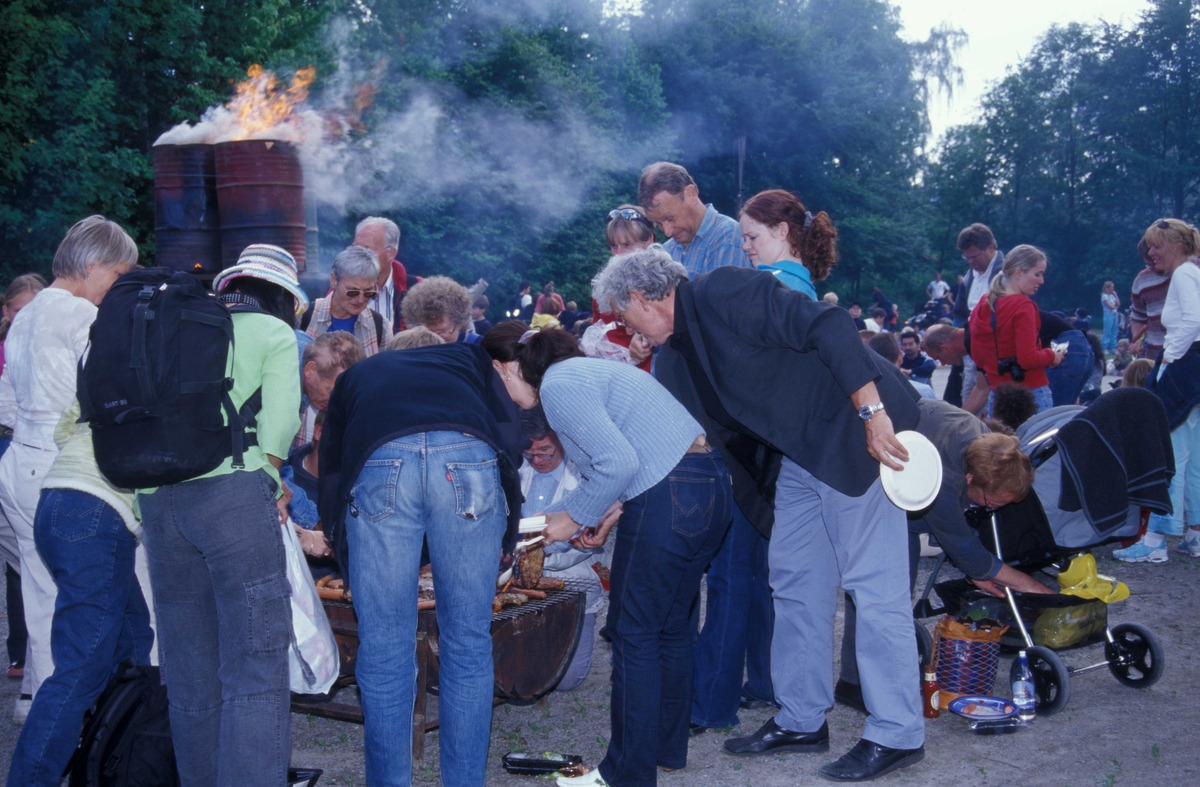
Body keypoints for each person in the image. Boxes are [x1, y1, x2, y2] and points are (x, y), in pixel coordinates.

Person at [594, 248, 927, 782]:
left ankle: (897, 731)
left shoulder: (724, 289)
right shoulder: (674, 358)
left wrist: (873, 415)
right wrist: (614, 498)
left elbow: (828, 323)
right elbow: (680, 443)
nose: (622, 327)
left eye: (620, 314)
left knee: (873, 588)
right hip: (797, 459)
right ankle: (801, 718)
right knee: (794, 584)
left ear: (642, 297)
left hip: (855, 434)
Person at [480, 324, 732, 787]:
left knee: (634, 635)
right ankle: (666, 750)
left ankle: (626, 774)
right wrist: (598, 515)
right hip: (709, 483)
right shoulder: (591, 372)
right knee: (671, 627)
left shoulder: (558, 383)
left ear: (505, 369)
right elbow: (631, 460)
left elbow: (619, 463)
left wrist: (573, 517)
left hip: (667, 494)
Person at [318, 332, 526, 787]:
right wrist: (506, 531)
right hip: (468, 458)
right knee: (467, 643)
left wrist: (339, 544)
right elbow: (510, 436)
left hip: (382, 460)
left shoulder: (360, 374)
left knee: (386, 647)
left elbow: (331, 466)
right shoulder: (470, 359)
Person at [138, 244, 305, 786]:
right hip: (233, 498)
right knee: (254, 666)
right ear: (280, 296)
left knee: (188, 670)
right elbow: (280, 423)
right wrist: (271, 476)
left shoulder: (176, 325)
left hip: (160, 501)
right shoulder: (274, 333)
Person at [0, 216, 137, 723]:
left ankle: (39, 700)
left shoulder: (26, 315)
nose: (118, 286)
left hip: (19, 462)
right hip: (60, 470)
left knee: (40, 592)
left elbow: (6, 401)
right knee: (80, 600)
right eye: (118, 273)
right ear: (93, 264)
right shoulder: (80, 316)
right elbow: (102, 392)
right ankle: (78, 715)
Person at [836, 400, 1052, 711]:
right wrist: (1033, 588)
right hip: (875, 481)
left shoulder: (987, 446)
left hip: (905, 473)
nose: (992, 509)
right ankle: (855, 684)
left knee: (892, 592)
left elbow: (970, 555)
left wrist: (980, 570)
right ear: (969, 481)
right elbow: (965, 547)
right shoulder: (944, 481)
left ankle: (871, 673)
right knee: (882, 592)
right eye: (991, 502)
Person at [6, 398, 156, 787]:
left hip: (57, 495)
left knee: (134, 638)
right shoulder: (173, 368)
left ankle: (119, 759)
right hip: (96, 512)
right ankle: (29, 781)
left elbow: (64, 427)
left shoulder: (113, 362)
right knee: (81, 667)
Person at [1116, 218, 1200, 564]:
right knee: (1194, 458)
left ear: (1176, 247)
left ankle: (1155, 539)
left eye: (1156, 246)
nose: (1150, 253)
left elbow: (1194, 319)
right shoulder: (1194, 271)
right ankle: (1195, 534)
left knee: (1169, 455)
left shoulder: (1182, 274)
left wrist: (1170, 360)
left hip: (1184, 365)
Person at [516, 406, 603, 692]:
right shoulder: (515, 469)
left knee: (566, 680)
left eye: (545, 452)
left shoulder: (588, 477)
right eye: (530, 454)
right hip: (513, 573)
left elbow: (586, 540)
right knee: (519, 669)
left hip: (571, 570)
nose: (537, 460)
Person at [0, 273, 44, 680]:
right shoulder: (9, 347)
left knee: (29, 567)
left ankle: (28, 665)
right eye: (19, 310)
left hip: (22, 451)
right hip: (17, 451)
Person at [924, 311, 1091, 414]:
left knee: (1048, 425)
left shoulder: (978, 336)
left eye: (939, 358)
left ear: (944, 347)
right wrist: (960, 418)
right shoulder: (974, 335)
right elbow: (982, 387)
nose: (943, 364)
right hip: (1075, 347)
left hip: (1065, 347)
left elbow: (985, 388)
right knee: (1061, 419)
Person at [968, 245, 1066, 415]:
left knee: (1003, 442)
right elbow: (1027, 359)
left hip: (998, 395)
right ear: (1019, 272)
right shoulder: (1023, 306)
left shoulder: (984, 303)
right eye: (1037, 274)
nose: (1041, 281)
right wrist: (1052, 356)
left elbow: (977, 356)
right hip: (1031, 393)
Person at [637, 162, 751, 274]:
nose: (667, 232)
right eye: (658, 223)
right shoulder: (666, 250)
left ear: (691, 194)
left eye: (670, 218)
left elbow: (726, 293)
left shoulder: (728, 237)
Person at [739, 188, 836, 301]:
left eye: (752, 237)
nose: (745, 246)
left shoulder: (765, 286)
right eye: (744, 239)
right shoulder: (807, 290)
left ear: (782, 231)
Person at [304, 245, 393, 355]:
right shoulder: (305, 317)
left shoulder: (381, 326)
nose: (360, 300)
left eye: (368, 292)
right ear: (334, 281)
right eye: (352, 292)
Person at [353, 216, 407, 327]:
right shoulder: (340, 289)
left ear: (390, 253)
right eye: (355, 249)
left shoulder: (416, 290)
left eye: (367, 250)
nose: (358, 256)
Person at [952, 223, 1005, 327]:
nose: (971, 261)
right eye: (967, 257)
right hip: (970, 334)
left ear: (991, 248)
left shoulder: (1006, 275)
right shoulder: (968, 277)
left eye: (975, 256)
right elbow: (959, 311)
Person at [402, 275, 480, 345]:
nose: (435, 340)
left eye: (442, 331)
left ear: (460, 323)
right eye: (427, 332)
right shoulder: (406, 347)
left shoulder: (480, 348)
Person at [1130, 238, 1171, 360]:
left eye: (1155, 261)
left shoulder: (1194, 270)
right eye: (1149, 263)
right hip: (1157, 356)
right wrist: (1137, 340)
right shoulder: (1142, 280)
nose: (1154, 267)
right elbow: (1138, 318)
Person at [869, 333, 935, 400]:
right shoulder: (925, 391)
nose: (907, 347)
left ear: (918, 345)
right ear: (900, 358)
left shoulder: (866, 395)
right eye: (905, 344)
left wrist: (910, 371)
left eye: (910, 344)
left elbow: (931, 366)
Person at [1101, 281, 1121, 354]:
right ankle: (1104, 347)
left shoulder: (1112, 296)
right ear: (1108, 287)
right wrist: (1115, 307)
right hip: (1108, 314)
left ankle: (1113, 346)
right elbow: (1110, 306)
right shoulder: (1104, 296)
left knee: (1115, 330)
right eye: (1112, 287)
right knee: (1107, 331)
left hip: (1114, 314)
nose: (1113, 288)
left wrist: (1116, 295)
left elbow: (1118, 304)